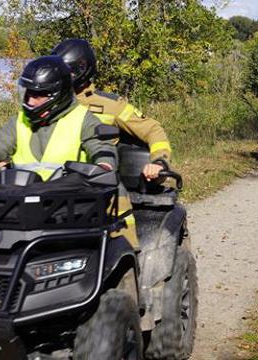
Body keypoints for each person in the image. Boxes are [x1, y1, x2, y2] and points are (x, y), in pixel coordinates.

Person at [52, 38, 172, 247]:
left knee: (122, 236)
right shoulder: (48, 103)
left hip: (99, 190)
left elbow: (153, 129)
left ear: (83, 70)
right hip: (51, 187)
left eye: (68, 72)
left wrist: (159, 162)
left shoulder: (110, 105)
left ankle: (130, 267)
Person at [0, 55, 115, 182]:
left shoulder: (83, 119)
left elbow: (101, 146)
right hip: (21, 199)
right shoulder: (20, 120)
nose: (30, 101)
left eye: (37, 95)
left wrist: (104, 165)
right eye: (28, 94)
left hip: (68, 201)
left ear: (58, 94)